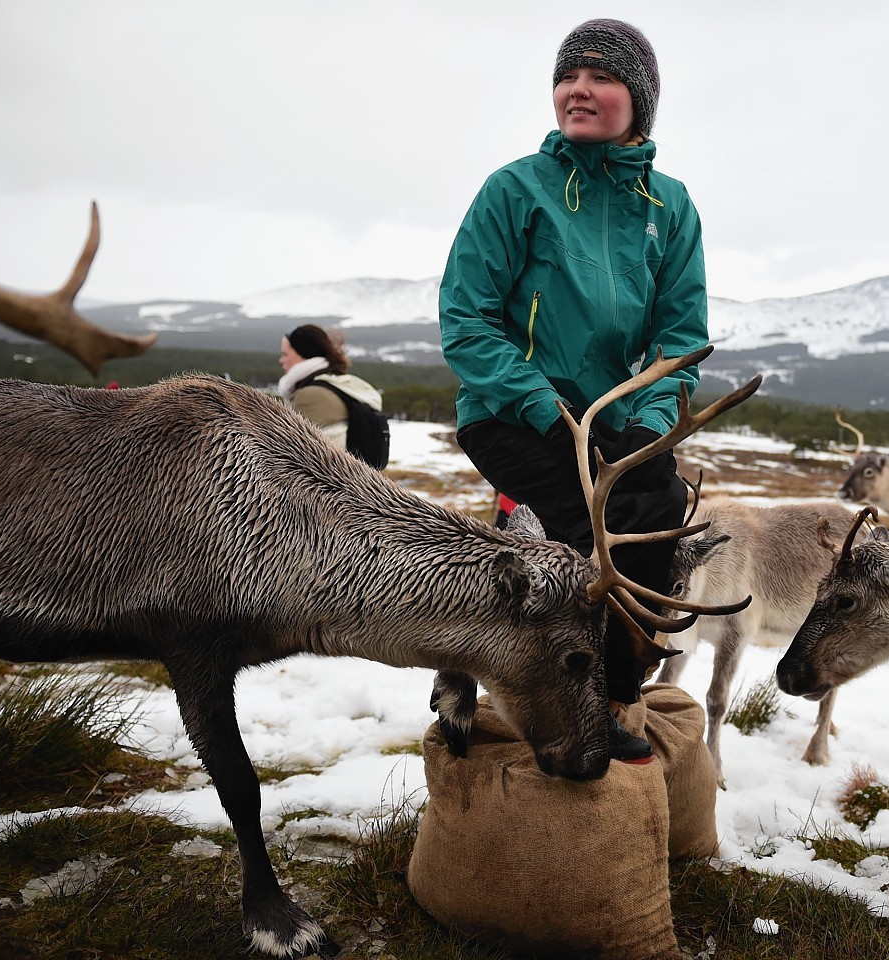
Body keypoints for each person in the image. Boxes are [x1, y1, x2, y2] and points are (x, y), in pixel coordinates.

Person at [439, 19, 709, 758]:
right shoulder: (515, 189)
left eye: (602, 77)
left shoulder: (671, 207)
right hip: (514, 408)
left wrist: (653, 420)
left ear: (639, 99)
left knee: (653, 523)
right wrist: (540, 404)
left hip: (620, 417)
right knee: (574, 544)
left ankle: (615, 696)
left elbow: (682, 341)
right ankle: (536, 699)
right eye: (569, 76)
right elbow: (465, 320)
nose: (579, 91)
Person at [278, 324, 388, 463]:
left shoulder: (310, 396)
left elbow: (290, 457)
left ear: (303, 354)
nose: (281, 360)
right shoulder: (340, 385)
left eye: (285, 354)